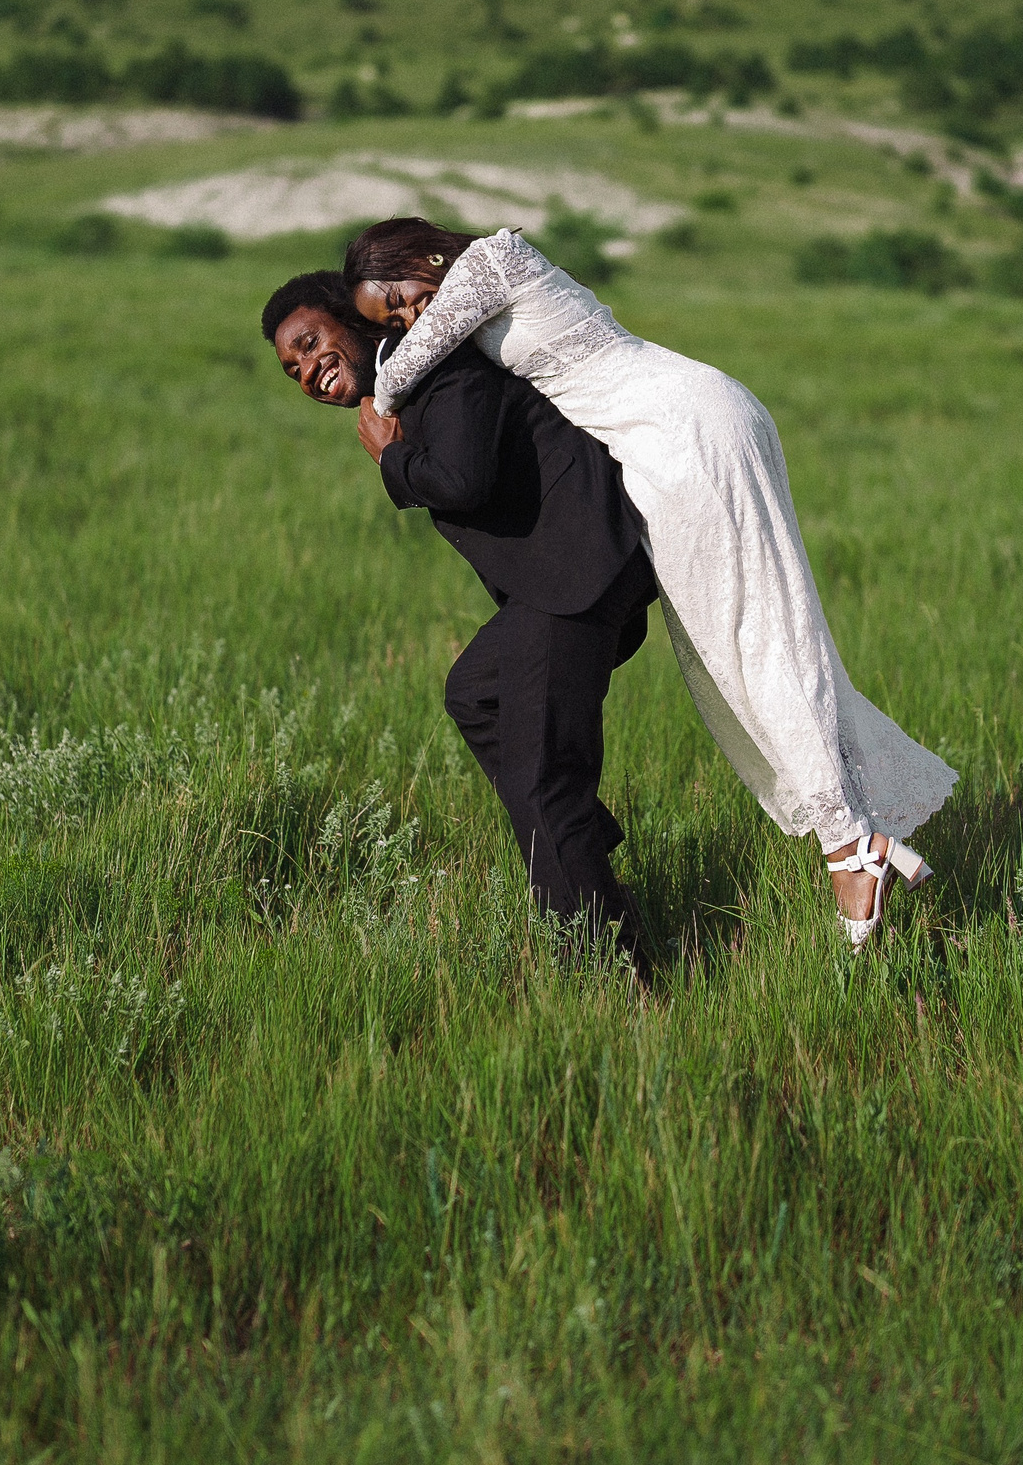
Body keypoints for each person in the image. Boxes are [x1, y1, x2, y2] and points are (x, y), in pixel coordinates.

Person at [346, 219, 955, 949]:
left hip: (686, 432)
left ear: (422, 255)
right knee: (740, 649)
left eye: (400, 297)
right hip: (664, 445)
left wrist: (379, 413)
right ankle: (854, 840)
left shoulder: (491, 261)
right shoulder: (467, 296)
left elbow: (404, 369)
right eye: (392, 318)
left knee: (754, 641)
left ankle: (852, 846)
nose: (410, 318)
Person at [262, 270, 658, 970]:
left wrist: (392, 459)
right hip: (559, 578)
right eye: (293, 369)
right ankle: (580, 846)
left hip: (576, 572)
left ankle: (610, 971)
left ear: (352, 319)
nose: (307, 371)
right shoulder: (403, 382)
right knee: (476, 693)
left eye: (310, 343)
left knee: (542, 785)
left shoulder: (437, 365)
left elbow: (464, 481)